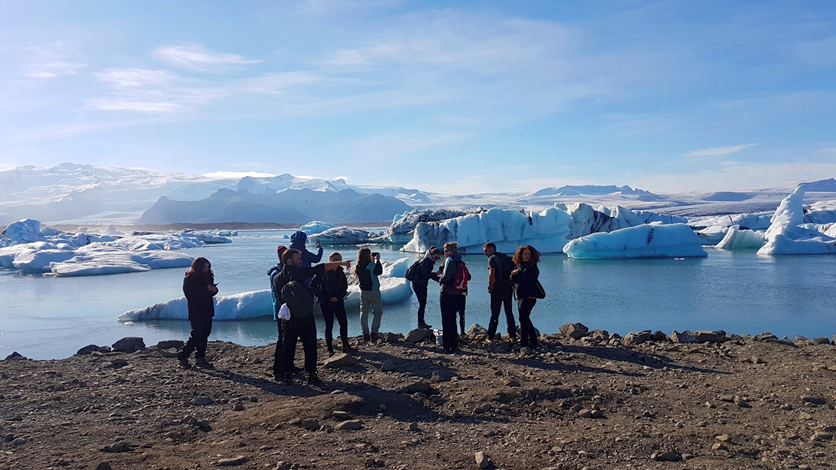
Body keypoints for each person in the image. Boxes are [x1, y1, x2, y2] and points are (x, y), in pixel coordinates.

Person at [273, 249, 350, 385]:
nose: (300, 261)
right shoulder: (300, 273)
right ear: (289, 260)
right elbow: (319, 268)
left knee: (288, 345)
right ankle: (311, 375)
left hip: (289, 318)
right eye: (298, 258)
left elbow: (280, 299)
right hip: (305, 317)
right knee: (310, 345)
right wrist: (341, 263)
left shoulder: (277, 278)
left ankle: (286, 375)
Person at [178, 257, 219, 369]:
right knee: (196, 335)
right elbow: (190, 295)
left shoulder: (209, 276)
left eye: (208, 267)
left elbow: (208, 294)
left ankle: (200, 357)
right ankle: (183, 356)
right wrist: (206, 289)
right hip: (196, 310)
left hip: (207, 309)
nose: (207, 269)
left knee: (205, 334)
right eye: (205, 267)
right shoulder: (190, 278)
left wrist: (214, 291)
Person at [313, 252, 353, 355]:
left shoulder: (340, 272)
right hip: (326, 302)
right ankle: (330, 349)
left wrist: (338, 297)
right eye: (335, 259)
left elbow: (344, 288)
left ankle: (346, 346)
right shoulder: (323, 272)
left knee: (343, 323)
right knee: (329, 325)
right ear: (330, 260)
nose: (337, 261)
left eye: (339, 259)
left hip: (338, 302)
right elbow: (312, 286)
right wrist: (324, 297)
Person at [438, 242, 470, 353]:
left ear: (451, 251)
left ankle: (447, 345)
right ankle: (454, 344)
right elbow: (469, 277)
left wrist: (440, 280)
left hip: (447, 293)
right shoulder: (461, 261)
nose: (444, 253)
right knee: (453, 319)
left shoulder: (449, 260)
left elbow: (446, 277)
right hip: (458, 295)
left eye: (446, 250)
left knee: (446, 319)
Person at [483, 242, 517, 342]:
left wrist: (490, 287)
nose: (485, 253)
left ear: (491, 249)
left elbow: (491, 274)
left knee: (495, 312)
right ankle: (512, 335)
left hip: (497, 289)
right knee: (509, 311)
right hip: (508, 288)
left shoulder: (492, 259)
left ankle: (491, 336)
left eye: (485, 251)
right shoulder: (506, 258)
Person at [510, 245, 542, 349]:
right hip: (521, 296)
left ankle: (524, 342)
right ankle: (533, 340)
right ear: (521, 255)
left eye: (529, 254)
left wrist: (517, 274)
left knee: (523, 317)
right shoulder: (520, 266)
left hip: (529, 296)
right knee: (524, 317)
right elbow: (514, 280)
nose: (527, 256)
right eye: (525, 254)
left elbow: (527, 279)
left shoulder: (532, 267)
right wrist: (513, 274)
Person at [268, 245, 290, 378]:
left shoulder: (283, 271)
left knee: (287, 339)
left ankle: (287, 365)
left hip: (286, 310)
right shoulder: (276, 273)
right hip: (281, 310)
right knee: (282, 340)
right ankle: (278, 370)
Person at [354, 247, 383, 342]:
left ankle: (365, 333)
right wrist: (377, 261)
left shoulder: (358, 266)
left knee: (364, 312)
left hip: (363, 291)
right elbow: (378, 272)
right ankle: (374, 332)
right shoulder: (371, 265)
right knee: (377, 312)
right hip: (373, 291)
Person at [411, 246, 442, 329]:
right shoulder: (427, 262)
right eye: (436, 257)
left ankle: (421, 322)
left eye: (438, 258)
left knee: (422, 304)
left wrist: (439, 279)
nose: (436, 259)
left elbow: (427, 274)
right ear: (432, 255)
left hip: (418, 284)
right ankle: (420, 323)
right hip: (419, 284)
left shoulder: (427, 260)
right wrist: (436, 275)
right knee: (422, 304)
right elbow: (425, 274)